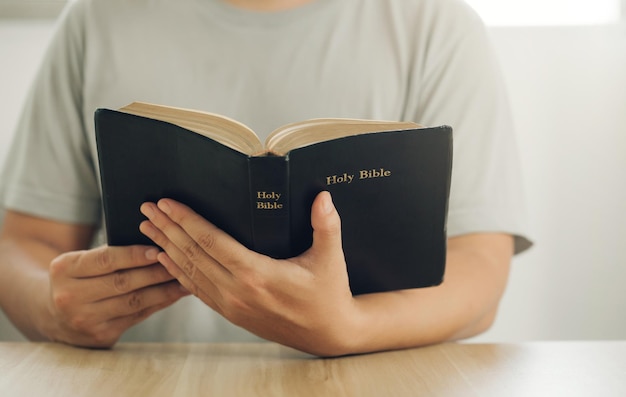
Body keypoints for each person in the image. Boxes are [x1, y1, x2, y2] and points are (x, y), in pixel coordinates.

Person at [0, 0, 531, 357]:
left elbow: (479, 268)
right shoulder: (97, 15)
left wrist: (348, 328)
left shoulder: (435, 21)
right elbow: (24, 244)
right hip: (150, 379)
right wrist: (52, 312)